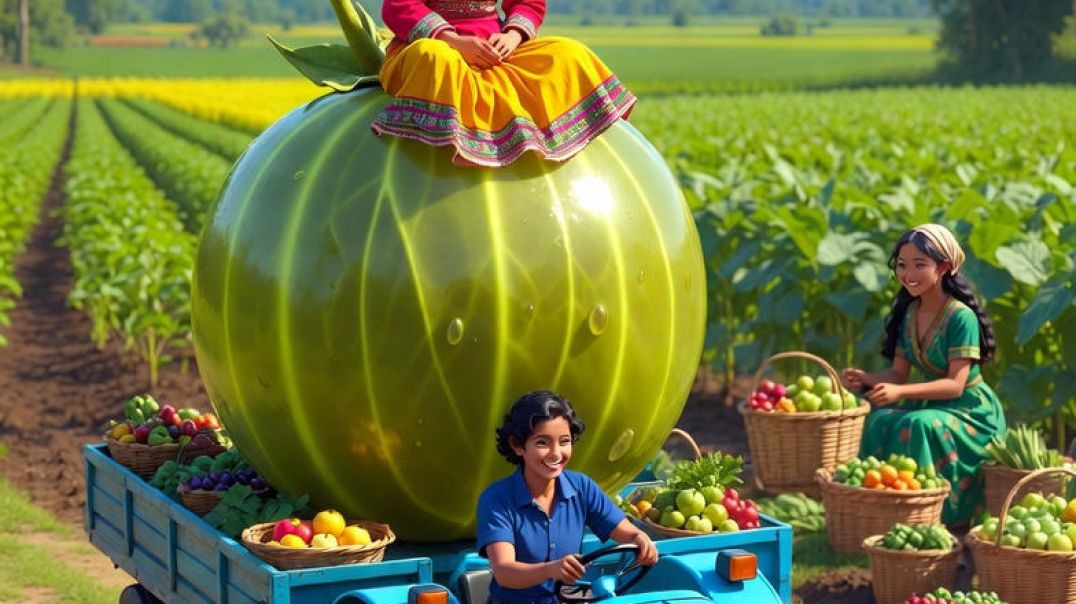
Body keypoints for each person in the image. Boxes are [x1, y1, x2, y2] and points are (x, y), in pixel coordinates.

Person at [841, 224, 1007, 526]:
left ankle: (932, 517)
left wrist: (901, 393)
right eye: (902, 265)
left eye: (919, 265)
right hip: (932, 405)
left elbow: (956, 385)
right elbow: (898, 374)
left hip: (970, 411)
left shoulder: (961, 317)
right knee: (879, 420)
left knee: (917, 425)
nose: (908, 274)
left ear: (944, 267)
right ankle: (880, 509)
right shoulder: (908, 315)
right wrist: (866, 379)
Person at [375, 0, 637, 167]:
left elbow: (528, 2)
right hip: (433, 46)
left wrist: (512, 36)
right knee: (434, 58)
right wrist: (454, 41)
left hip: (494, 49)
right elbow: (398, 6)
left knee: (569, 53)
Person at [476, 390, 658, 604]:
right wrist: (550, 570)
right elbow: (504, 572)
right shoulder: (497, 499)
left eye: (564, 441)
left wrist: (639, 538)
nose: (556, 453)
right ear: (517, 445)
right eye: (542, 443)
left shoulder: (582, 487)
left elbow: (625, 531)